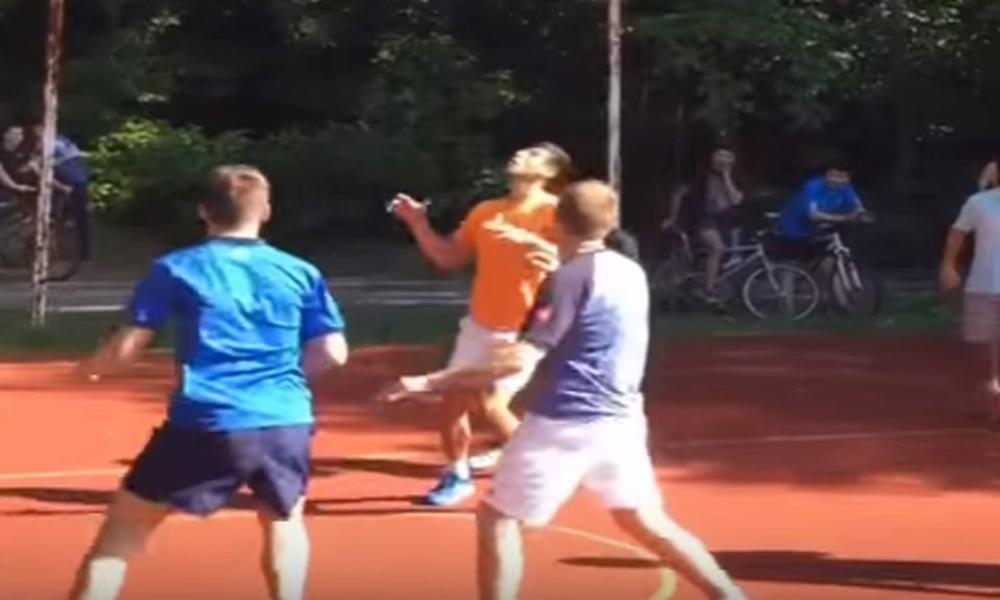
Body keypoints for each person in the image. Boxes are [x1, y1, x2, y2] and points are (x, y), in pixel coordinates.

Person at [381, 180, 747, 600]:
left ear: (556, 222)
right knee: (643, 519)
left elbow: (520, 358)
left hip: (565, 422)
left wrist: (430, 381)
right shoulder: (629, 271)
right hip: (621, 420)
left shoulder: (567, 279)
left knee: (499, 519)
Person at [70, 165, 348, 600]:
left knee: (122, 533)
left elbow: (126, 349)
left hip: (209, 417)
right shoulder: (300, 271)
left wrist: (90, 368)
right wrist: (284, 386)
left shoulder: (176, 268)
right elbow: (333, 352)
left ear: (204, 211)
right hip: (285, 420)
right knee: (284, 523)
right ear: (266, 211)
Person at [389, 142, 572, 507]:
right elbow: (449, 257)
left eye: (534, 154)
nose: (520, 154)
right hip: (480, 323)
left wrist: (538, 246)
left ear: (550, 173)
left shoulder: (557, 213)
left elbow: (579, 263)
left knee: (489, 402)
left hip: (526, 329)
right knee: (453, 398)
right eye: (521, 151)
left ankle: (547, 467)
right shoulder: (486, 211)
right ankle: (457, 474)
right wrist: (418, 223)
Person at [941, 182, 1000, 424]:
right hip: (984, 284)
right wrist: (948, 265)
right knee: (983, 348)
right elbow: (958, 232)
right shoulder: (979, 202)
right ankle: (990, 391)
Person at [662, 148, 744, 304]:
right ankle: (709, 289)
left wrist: (727, 176)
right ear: (712, 157)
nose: (723, 159)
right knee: (717, 248)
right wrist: (673, 218)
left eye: (727, 156)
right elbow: (678, 194)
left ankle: (710, 286)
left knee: (724, 257)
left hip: (725, 222)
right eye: (720, 155)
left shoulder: (736, 177)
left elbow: (736, 200)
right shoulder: (701, 175)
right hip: (702, 219)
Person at [24, 125, 92, 260]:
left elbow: (37, 168)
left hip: (68, 183)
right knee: (80, 219)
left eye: (37, 130)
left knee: (59, 218)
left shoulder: (47, 144)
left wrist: (33, 169)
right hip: (79, 180)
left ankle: (64, 251)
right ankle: (82, 253)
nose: (36, 133)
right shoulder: (63, 140)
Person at [775, 162, 865, 258]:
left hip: (820, 231)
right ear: (825, 175)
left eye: (841, 177)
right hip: (794, 232)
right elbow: (813, 215)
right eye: (832, 175)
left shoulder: (847, 189)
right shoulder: (813, 186)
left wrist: (857, 215)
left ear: (848, 179)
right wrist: (845, 218)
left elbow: (859, 210)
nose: (835, 180)